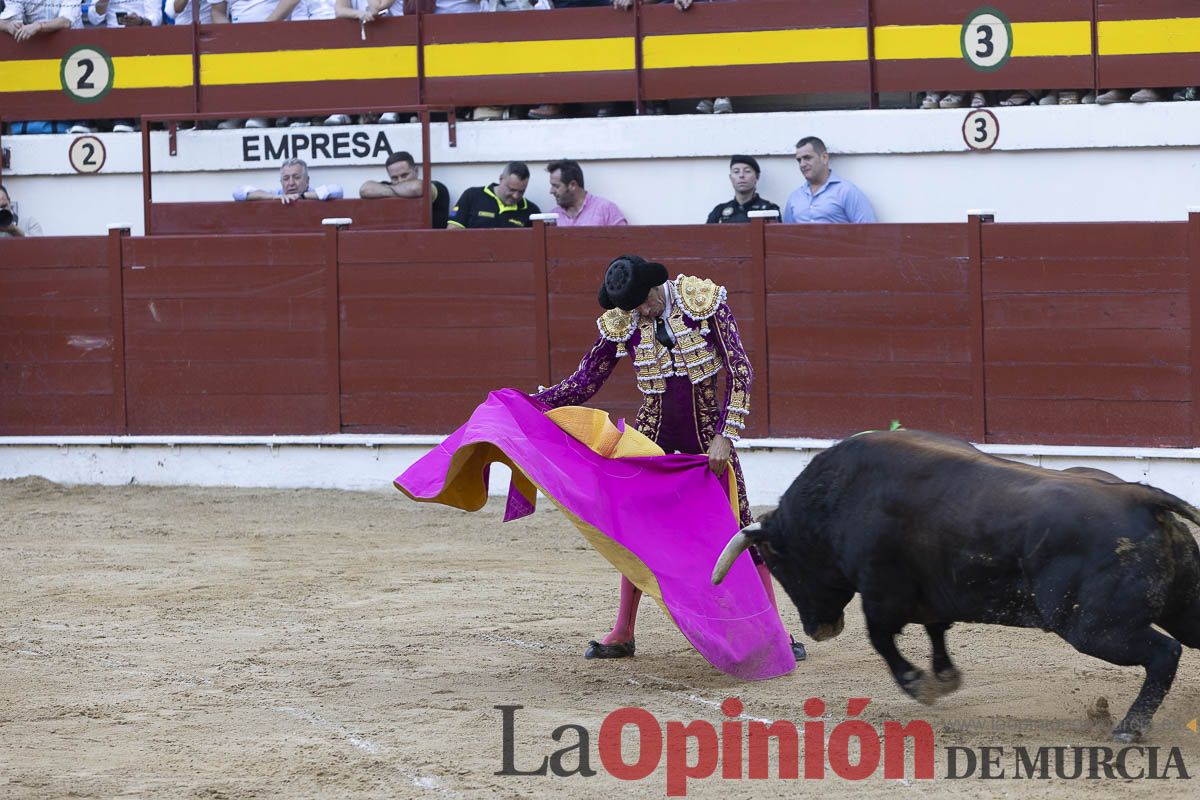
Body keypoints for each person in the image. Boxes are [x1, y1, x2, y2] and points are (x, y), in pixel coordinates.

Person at [532, 255, 807, 662]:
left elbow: (740, 371)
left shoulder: (702, 301)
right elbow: (586, 380)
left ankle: (775, 632)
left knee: (738, 524)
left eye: (643, 304)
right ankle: (623, 631)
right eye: (633, 309)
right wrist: (532, 403)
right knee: (634, 527)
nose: (641, 313)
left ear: (655, 287)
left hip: (706, 429)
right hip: (652, 435)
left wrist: (725, 437)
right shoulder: (623, 318)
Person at [783, 136, 876, 224]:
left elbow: (869, 231)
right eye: (799, 160)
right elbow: (785, 235)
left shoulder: (846, 191)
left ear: (824, 158)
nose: (802, 164)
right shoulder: (795, 197)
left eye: (807, 158)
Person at [359, 151, 450, 228]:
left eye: (404, 175)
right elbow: (364, 189)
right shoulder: (392, 187)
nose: (400, 181)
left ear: (416, 170)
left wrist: (388, 191)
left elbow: (416, 188)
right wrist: (400, 191)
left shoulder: (437, 187)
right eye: (394, 178)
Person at [447, 162, 541, 229]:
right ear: (501, 179)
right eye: (511, 190)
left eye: (521, 191)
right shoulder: (472, 196)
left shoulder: (532, 211)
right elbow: (453, 233)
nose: (516, 196)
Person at [546, 159, 627, 226]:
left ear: (573, 185)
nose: (551, 191)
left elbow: (625, 242)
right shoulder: (552, 216)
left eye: (556, 186)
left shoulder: (605, 209)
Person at [705, 155, 780, 224]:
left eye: (747, 171)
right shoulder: (719, 211)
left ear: (757, 176)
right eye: (736, 172)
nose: (741, 175)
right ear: (731, 178)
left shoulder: (769, 209)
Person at [232, 158, 344, 203]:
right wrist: (273, 197)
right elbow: (237, 192)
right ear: (281, 182)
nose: (291, 183)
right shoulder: (276, 194)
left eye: (296, 177)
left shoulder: (314, 193)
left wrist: (302, 196)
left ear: (307, 180)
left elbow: (337, 190)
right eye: (286, 179)